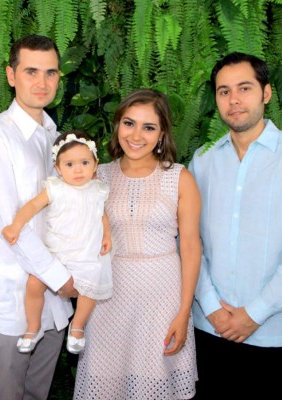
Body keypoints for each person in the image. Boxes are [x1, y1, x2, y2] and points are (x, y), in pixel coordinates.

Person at [188, 52, 282, 400]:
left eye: (244, 88)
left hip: (273, 332)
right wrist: (210, 306)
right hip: (208, 328)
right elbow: (190, 239)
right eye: (224, 91)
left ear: (266, 93)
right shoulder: (202, 160)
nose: (234, 99)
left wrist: (255, 314)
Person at [0, 35, 75, 400]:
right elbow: (9, 224)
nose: (42, 82)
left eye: (50, 73)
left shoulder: (56, 138)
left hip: (54, 309)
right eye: (31, 72)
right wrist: (63, 280)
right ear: (11, 75)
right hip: (11, 304)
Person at [74, 89, 202, 399]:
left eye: (149, 127)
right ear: (117, 126)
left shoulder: (180, 178)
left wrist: (184, 313)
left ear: (161, 134)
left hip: (162, 302)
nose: (136, 135)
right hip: (106, 302)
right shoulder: (95, 176)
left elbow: (190, 247)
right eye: (129, 123)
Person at [1, 130, 113, 354]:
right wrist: (16, 225)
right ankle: (33, 327)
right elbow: (32, 206)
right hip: (57, 253)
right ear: (58, 168)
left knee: (89, 289)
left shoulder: (97, 189)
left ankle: (78, 326)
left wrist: (107, 235)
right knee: (34, 283)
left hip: (85, 254)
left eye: (84, 162)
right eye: (69, 164)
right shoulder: (55, 188)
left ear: (95, 164)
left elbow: (101, 215)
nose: (78, 169)